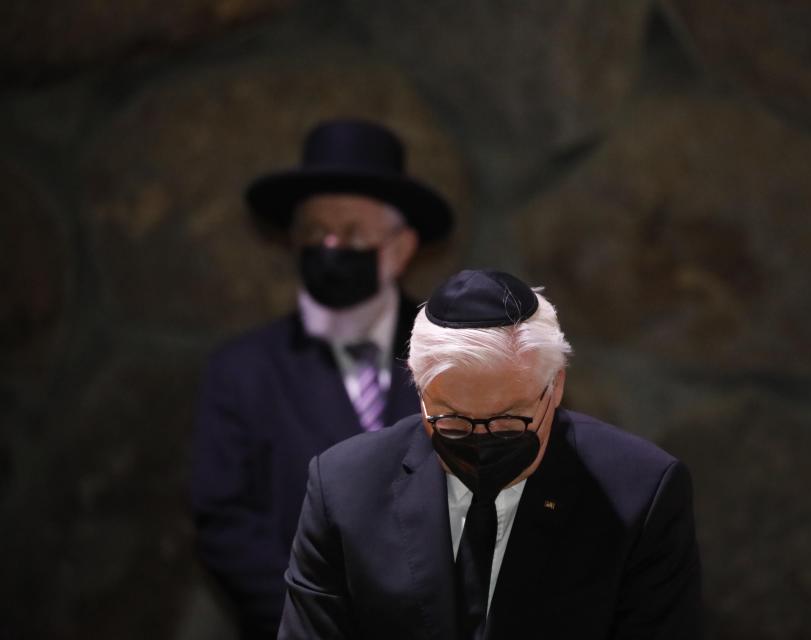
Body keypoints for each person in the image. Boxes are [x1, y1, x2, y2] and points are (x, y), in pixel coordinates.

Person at [279, 269, 702, 639]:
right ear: (420, 389)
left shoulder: (639, 494)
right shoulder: (344, 486)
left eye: (506, 422)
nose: (481, 442)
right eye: (454, 422)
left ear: (555, 387)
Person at [190, 119, 454, 639]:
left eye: (352, 233)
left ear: (400, 249)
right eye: (314, 232)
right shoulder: (243, 371)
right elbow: (224, 520)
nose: (331, 247)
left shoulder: (458, 361)